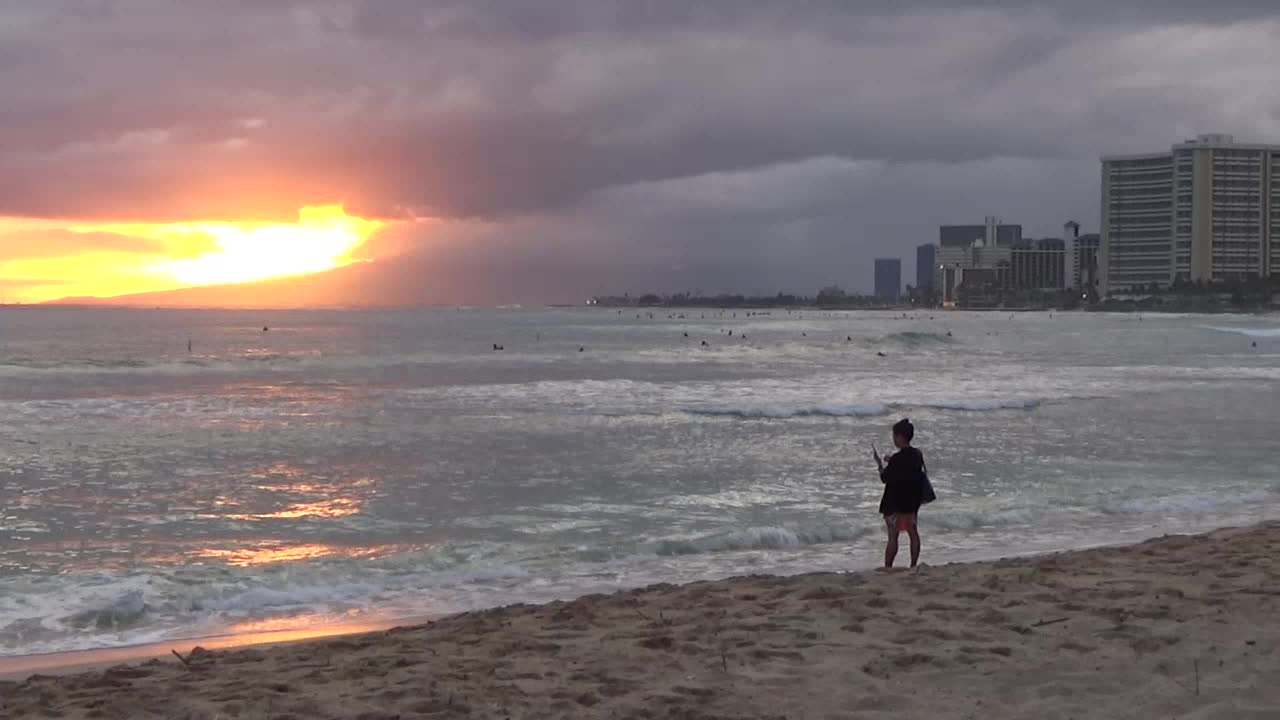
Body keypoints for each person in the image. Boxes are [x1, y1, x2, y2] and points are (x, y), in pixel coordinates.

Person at [874, 418, 929, 569]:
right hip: (912, 500)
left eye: (894, 436)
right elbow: (909, 470)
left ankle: (888, 567)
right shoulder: (917, 454)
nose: (893, 439)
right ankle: (913, 565)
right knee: (913, 533)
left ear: (900, 437)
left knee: (893, 536)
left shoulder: (897, 459)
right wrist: (891, 460)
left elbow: (885, 478)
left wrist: (880, 465)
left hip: (894, 501)